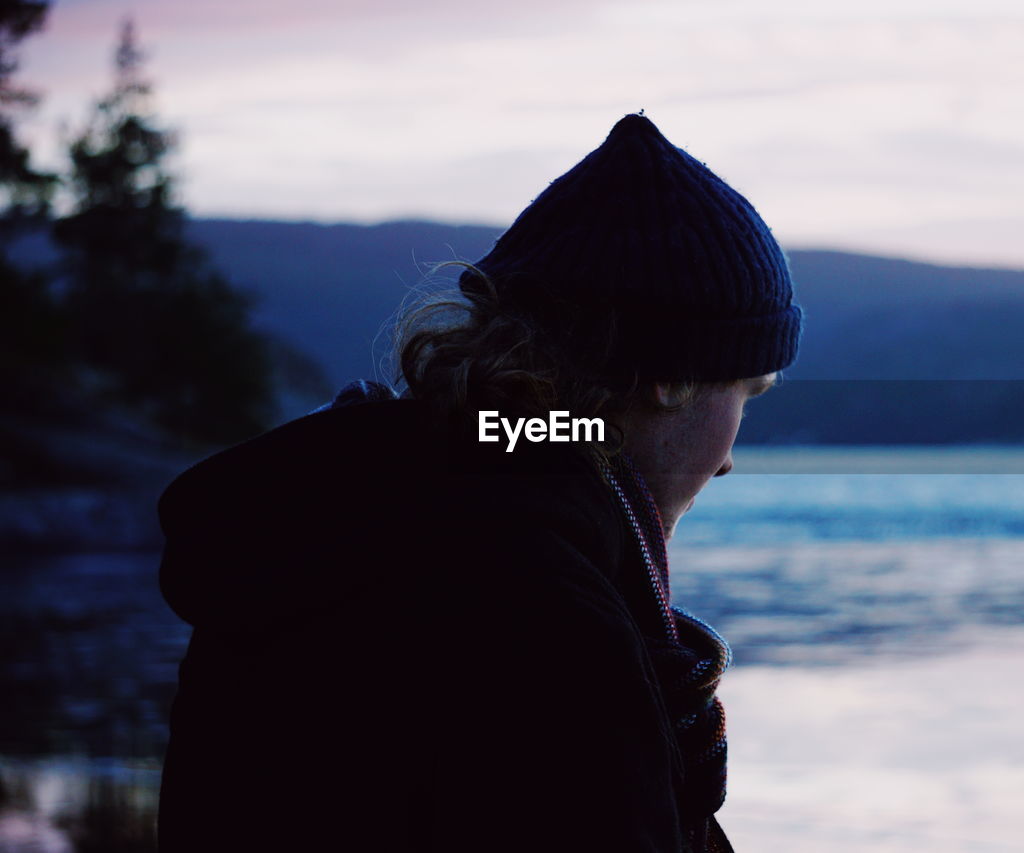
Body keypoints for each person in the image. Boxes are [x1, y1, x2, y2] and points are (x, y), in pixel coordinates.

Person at [156, 113, 801, 852]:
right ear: (669, 375)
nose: (726, 459)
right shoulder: (540, 609)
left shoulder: (336, 521)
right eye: (749, 392)